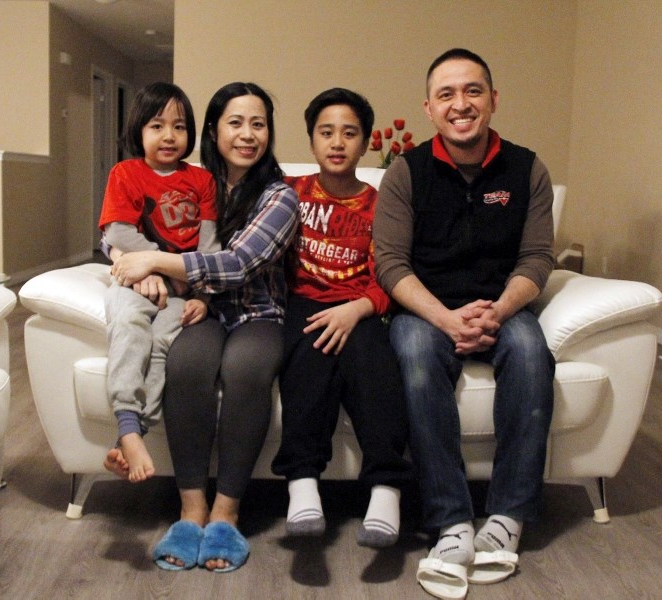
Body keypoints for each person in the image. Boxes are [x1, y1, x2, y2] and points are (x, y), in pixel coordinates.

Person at [373, 48, 556, 592]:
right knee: (412, 357)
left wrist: (498, 309)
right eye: (447, 94)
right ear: (429, 108)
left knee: (529, 353)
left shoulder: (528, 169)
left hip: (502, 305)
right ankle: (450, 521)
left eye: (473, 91)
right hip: (426, 310)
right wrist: (446, 320)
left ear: (493, 100)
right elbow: (390, 264)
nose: (461, 104)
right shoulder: (405, 172)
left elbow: (538, 259)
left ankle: (507, 516)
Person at [110, 82, 299, 573]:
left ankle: (226, 514)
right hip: (204, 310)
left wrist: (153, 259)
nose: (248, 134)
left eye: (258, 124)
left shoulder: (280, 196)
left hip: (258, 315)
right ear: (213, 132)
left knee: (246, 368)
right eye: (236, 123)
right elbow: (123, 227)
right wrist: (124, 253)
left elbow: (237, 264)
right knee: (187, 362)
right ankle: (190, 510)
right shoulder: (198, 183)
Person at [270, 88, 412, 548]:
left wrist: (359, 309)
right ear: (311, 141)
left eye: (349, 133)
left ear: (367, 142)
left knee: (375, 365)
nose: (337, 143)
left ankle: (386, 490)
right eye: (325, 132)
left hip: (360, 306)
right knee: (308, 358)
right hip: (302, 303)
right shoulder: (288, 194)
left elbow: (394, 272)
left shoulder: (380, 203)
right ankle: (302, 484)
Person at [99, 82, 219, 483]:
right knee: (130, 328)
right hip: (135, 283)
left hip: (181, 291)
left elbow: (210, 243)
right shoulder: (127, 173)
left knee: (165, 344)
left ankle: (131, 433)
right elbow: (118, 232)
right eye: (157, 125)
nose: (169, 135)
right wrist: (151, 269)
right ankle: (129, 424)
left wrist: (201, 292)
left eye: (180, 126)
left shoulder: (202, 181)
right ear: (139, 130)